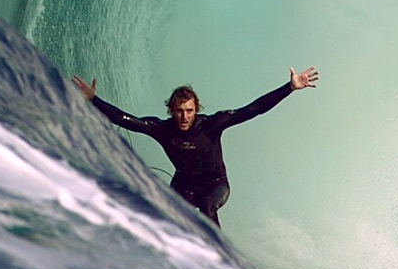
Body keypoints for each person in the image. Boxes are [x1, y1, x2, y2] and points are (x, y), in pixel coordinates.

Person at [71, 66, 319, 227]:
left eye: (189, 111)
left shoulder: (212, 124)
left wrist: (289, 87)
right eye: (179, 111)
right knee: (164, 215)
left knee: (207, 206)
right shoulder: (162, 129)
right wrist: (94, 100)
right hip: (183, 185)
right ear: (171, 110)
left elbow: (253, 109)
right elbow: (126, 119)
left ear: (196, 109)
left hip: (216, 185)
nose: (184, 116)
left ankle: (219, 268)